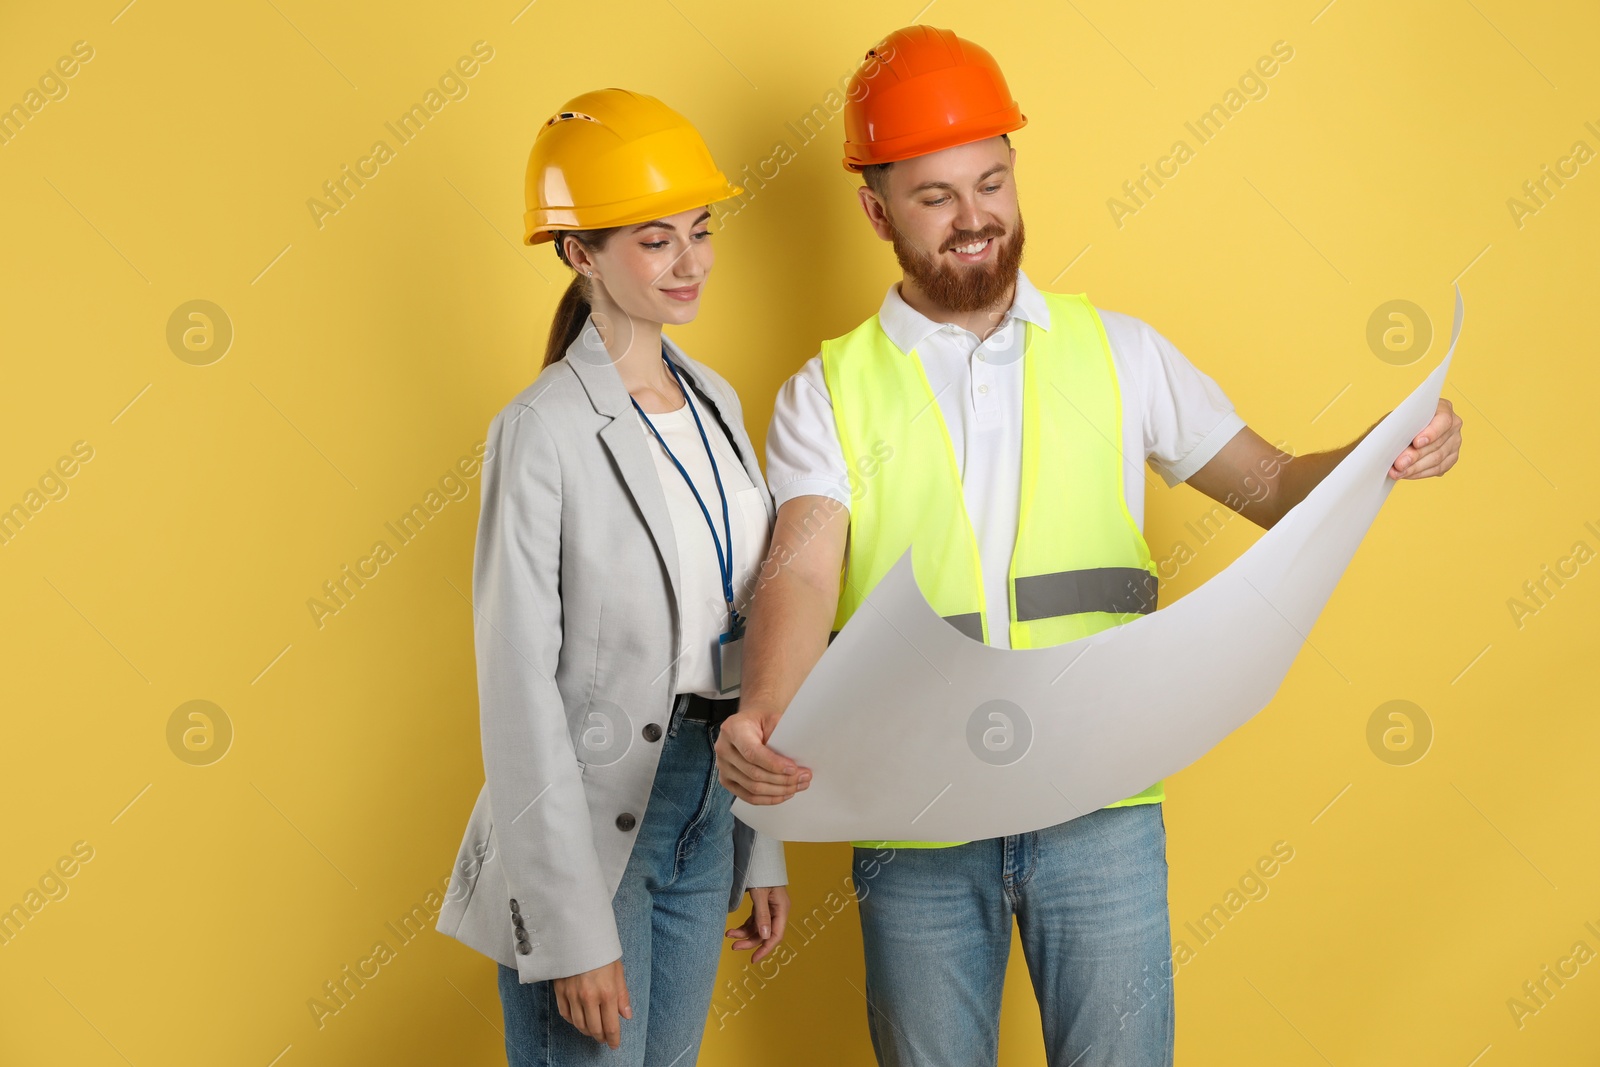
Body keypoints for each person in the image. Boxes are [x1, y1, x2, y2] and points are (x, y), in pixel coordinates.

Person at [714, 25, 1463, 1067]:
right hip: (915, 817)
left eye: (992, 181)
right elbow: (799, 566)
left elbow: (1275, 485)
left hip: (1099, 808)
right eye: (935, 196)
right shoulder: (828, 391)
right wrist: (761, 718)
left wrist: (1391, 444)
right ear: (874, 209)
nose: (975, 218)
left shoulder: (1121, 354)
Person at [435, 88, 789, 1067]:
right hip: (589, 826)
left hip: (707, 801)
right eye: (654, 240)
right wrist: (566, 925)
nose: (691, 263)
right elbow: (515, 686)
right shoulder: (539, 430)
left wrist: (759, 836)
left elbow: (745, 624)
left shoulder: (715, 396)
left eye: (701, 231)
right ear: (578, 252)